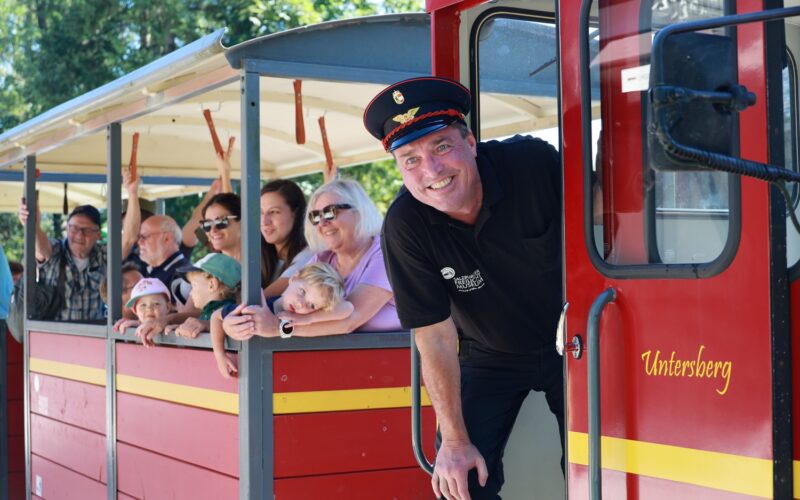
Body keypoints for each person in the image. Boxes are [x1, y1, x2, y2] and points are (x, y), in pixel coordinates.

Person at [364, 76, 563, 500]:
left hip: (573, 343)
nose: (431, 171)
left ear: (470, 142)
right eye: (410, 159)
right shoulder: (404, 226)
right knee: (460, 479)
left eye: (441, 146)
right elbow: (434, 335)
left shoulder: (532, 164)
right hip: (488, 355)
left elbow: (607, 219)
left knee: (599, 463)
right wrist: (453, 441)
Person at [223, 178, 401, 339]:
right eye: (316, 216)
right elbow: (286, 303)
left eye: (330, 212)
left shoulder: (384, 253)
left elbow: (350, 321)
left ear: (359, 211)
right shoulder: (322, 259)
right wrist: (234, 323)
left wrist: (279, 328)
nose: (322, 223)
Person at [210, 261, 352, 378]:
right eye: (302, 292)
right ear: (294, 278)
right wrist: (219, 354)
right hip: (249, 375)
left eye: (312, 305)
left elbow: (347, 308)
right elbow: (216, 316)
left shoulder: (305, 318)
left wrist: (308, 319)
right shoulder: (259, 306)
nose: (300, 304)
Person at [259, 179, 313, 297]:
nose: (265, 221)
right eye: (261, 212)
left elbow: (260, 300)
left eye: (274, 212)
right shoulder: (262, 255)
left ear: (296, 213)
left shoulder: (309, 255)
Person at [123, 278, 173, 347]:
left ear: (168, 307)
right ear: (134, 310)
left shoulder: (172, 328)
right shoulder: (132, 328)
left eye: (156, 304)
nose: (149, 308)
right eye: (143, 305)